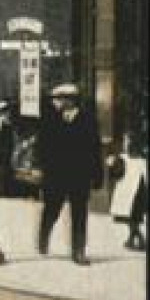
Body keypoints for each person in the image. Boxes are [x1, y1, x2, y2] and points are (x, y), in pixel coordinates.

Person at [36, 83, 102, 265]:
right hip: (56, 175)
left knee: (80, 214)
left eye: (60, 99)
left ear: (71, 100)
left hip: (80, 175)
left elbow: (94, 148)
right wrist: (43, 169)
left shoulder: (88, 120)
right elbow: (42, 147)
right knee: (52, 209)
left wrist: (97, 175)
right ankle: (44, 236)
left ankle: (78, 251)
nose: (57, 102)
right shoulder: (51, 119)